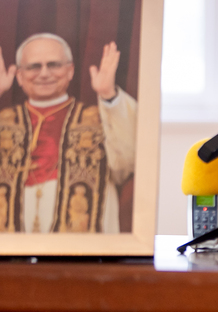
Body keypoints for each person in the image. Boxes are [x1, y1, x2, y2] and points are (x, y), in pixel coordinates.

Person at [0, 33, 137, 234]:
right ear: (19, 76)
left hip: (83, 246)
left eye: (54, 65)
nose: (44, 73)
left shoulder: (101, 118)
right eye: (34, 66)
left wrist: (109, 96)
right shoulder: (3, 121)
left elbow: (127, 163)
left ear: (70, 71)